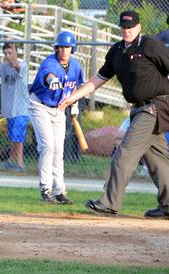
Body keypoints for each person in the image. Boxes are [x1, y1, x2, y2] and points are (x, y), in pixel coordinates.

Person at [59, 10, 169, 218]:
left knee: (124, 154)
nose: (127, 31)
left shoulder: (150, 45)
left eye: (131, 27)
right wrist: (73, 96)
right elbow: (98, 79)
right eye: (124, 27)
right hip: (139, 109)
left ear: (138, 27)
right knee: (157, 159)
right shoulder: (117, 51)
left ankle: (109, 203)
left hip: (156, 106)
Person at [28, 31, 84, 204]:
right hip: (40, 106)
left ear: (72, 48)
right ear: (56, 48)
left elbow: (75, 86)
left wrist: (73, 103)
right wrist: (52, 80)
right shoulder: (49, 62)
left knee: (59, 149)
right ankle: (46, 189)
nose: (63, 50)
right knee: (48, 146)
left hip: (59, 108)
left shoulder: (75, 66)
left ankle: (59, 190)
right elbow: (48, 75)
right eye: (60, 47)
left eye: (67, 47)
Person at [0, 42, 29, 172]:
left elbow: (16, 66)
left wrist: (13, 52)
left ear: (16, 53)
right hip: (10, 108)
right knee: (12, 136)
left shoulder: (23, 65)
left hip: (21, 108)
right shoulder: (4, 67)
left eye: (10, 52)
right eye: (5, 53)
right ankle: (11, 159)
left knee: (18, 136)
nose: (7, 56)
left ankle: (20, 163)